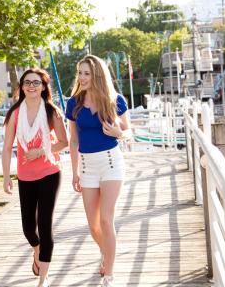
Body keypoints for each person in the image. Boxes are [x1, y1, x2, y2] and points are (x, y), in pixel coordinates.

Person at [65, 55, 131, 287]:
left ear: (97, 75)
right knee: (93, 225)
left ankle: (109, 275)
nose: (82, 78)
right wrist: (74, 172)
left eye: (87, 73)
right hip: (87, 167)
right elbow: (73, 141)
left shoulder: (115, 100)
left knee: (105, 219)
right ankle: (106, 251)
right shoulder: (74, 103)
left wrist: (119, 134)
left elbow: (128, 131)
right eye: (80, 73)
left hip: (111, 163)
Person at [2, 68, 69, 287]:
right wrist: (6, 176)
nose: (32, 86)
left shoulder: (52, 111)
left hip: (50, 172)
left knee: (45, 224)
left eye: (36, 82)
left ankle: (43, 278)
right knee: (29, 228)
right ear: (21, 87)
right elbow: (6, 147)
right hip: (25, 175)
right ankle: (37, 251)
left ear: (43, 86)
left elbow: (63, 142)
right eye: (27, 83)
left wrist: (41, 151)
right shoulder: (15, 113)